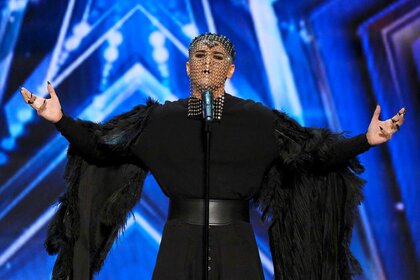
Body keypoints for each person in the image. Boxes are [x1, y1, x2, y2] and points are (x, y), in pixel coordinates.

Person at [20, 33, 405, 280]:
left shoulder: (258, 119)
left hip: (236, 244)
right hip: (178, 242)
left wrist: (365, 141)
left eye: (217, 55)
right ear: (187, 67)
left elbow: (312, 155)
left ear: (231, 69)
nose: (207, 60)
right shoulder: (159, 120)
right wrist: (60, 120)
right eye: (200, 54)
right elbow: (101, 149)